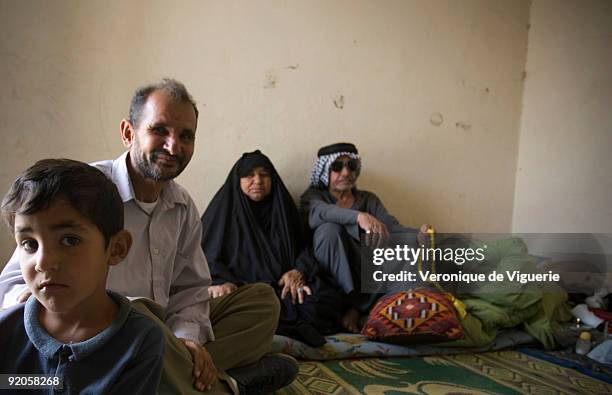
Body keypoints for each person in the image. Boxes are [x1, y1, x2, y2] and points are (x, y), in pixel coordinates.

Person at [0, 79, 296, 394]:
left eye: (186, 136)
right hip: (99, 329)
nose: (173, 146)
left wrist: (187, 340)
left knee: (263, 302)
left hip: (156, 334)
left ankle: (186, 369)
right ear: (129, 133)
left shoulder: (182, 207)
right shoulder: (83, 193)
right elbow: (13, 284)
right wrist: (46, 301)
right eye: (159, 130)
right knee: (140, 319)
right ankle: (226, 385)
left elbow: (191, 289)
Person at [0, 159, 164, 394]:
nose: (43, 263)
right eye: (29, 244)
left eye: (69, 240)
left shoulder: (139, 342)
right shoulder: (6, 331)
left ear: (116, 248)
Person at [201, 150, 342, 347]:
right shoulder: (222, 213)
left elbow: (305, 247)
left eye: (264, 174)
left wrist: (298, 270)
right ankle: (292, 327)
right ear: (238, 180)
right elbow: (204, 256)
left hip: (283, 289)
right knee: (226, 308)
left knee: (324, 300)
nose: (257, 181)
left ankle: (278, 327)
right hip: (245, 291)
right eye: (249, 175)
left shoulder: (282, 208)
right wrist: (221, 281)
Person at [300, 142, 429, 333]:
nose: (345, 173)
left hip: (367, 269)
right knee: (329, 230)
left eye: (351, 166)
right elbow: (323, 213)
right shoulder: (313, 197)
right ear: (325, 171)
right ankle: (350, 307)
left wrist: (419, 234)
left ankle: (366, 310)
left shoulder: (368, 199)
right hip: (331, 273)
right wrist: (359, 217)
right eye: (337, 167)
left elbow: (392, 228)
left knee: (411, 244)